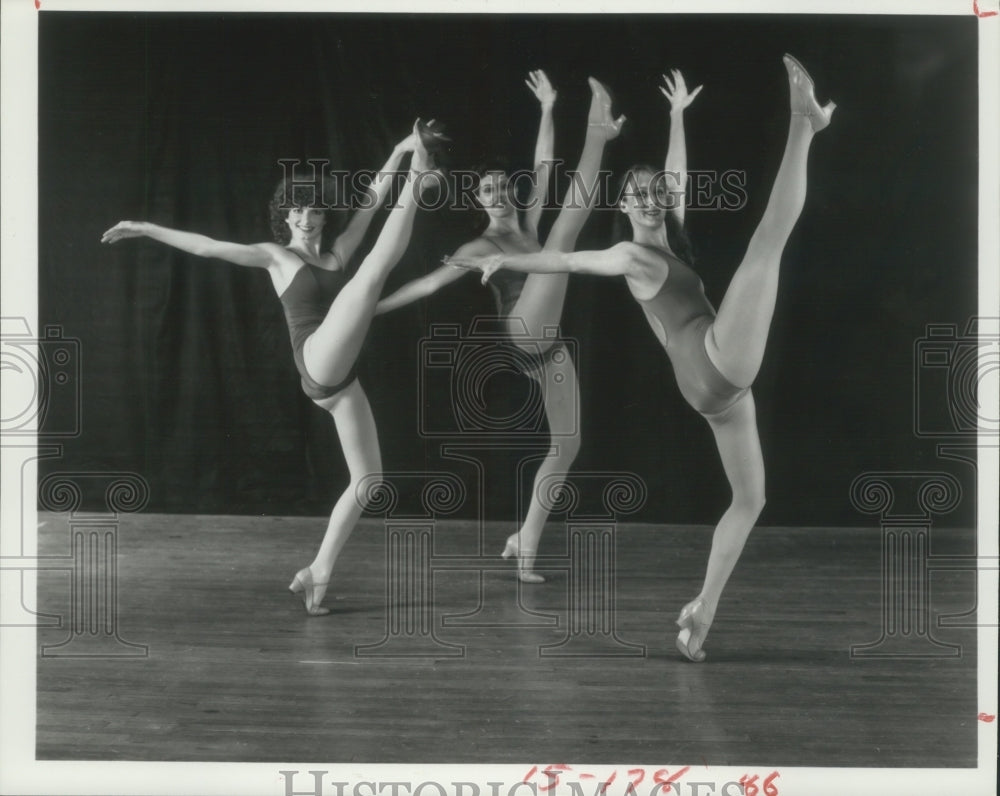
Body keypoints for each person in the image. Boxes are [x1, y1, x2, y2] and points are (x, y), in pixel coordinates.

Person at [448, 56, 835, 659]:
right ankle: (802, 123)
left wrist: (678, 117)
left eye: (657, 195)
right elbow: (572, 260)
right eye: (639, 197)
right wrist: (512, 261)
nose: (652, 202)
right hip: (713, 360)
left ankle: (701, 615)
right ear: (623, 206)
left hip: (719, 393)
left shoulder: (667, 235)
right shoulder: (630, 254)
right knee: (766, 246)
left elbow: (676, 176)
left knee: (751, 500)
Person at [101, 121, 437, 616]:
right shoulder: (276, 257)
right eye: (298, 209)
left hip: (341, 382)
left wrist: (397, 149)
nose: (308, 217)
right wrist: (147, 228)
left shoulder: (336, 251)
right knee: (371, 275)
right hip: (315, 359)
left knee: (369, 481)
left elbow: (368, 202)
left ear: (324, 217)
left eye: (316, 210)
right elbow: (207, 245)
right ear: (286, 215)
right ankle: (421, 179)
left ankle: (317, 572)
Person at [376, 71, 624, 583]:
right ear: (479, 200)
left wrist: (549, 108)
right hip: (521, 332)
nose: (496, 194)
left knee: (567, 445)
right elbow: (424, 286)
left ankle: (524, 538)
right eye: (486, 189)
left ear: (511, 192)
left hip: (549, 348)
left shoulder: (526, 228)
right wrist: (367, 310)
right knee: (563, 238)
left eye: (501, 186)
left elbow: (544, 166)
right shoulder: (478, 247)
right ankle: (599, 133)